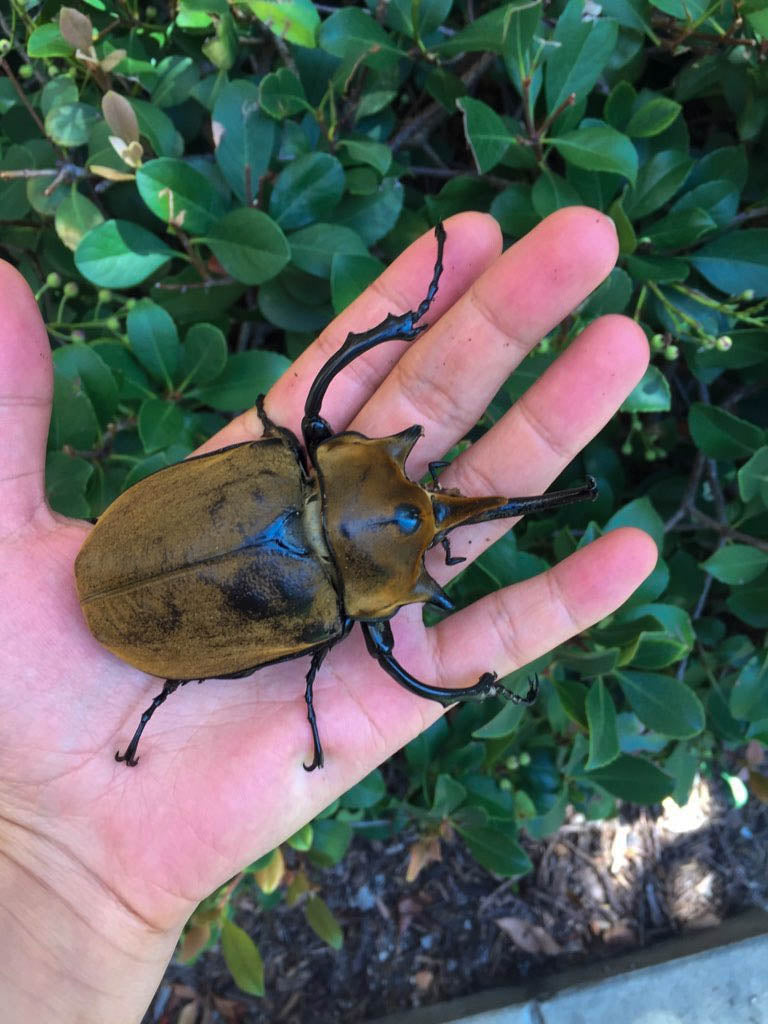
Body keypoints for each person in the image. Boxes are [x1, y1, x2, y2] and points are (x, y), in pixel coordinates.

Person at [0, 207, 656, 1021]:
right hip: (140, 585)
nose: (436, 503)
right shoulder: (330, 613)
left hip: (142, 563)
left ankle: (412, 322)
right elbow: (396, 666)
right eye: (428, 489)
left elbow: (328, 382)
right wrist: (472, 687)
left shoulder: (293, 458)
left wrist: (405, 326)